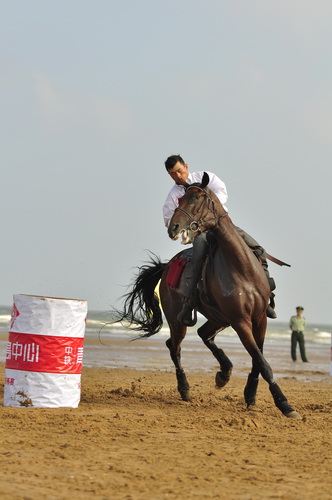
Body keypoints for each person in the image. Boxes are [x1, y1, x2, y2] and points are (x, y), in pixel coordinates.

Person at [162, 154, 277, 326]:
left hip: (222, 225)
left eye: (179, 171)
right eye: (172, 174)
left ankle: (266, 296)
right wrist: (185, 231)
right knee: (197, 259)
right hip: (199, 232)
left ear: (186, 166)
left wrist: (210, 213)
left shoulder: (205, 178)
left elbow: (221, 193)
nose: (178, 176)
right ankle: (188, 303)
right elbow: (169, 218)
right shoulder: (173, 196)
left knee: (257, 248)